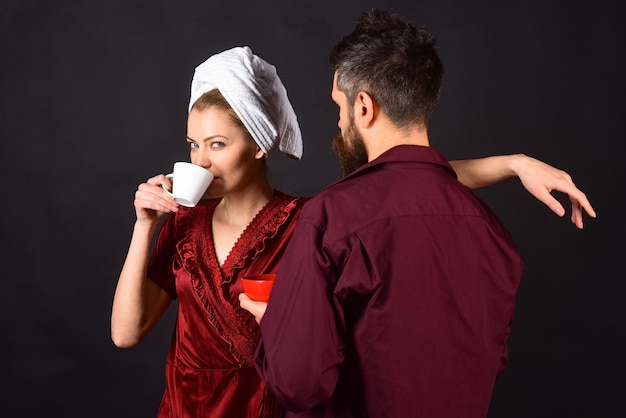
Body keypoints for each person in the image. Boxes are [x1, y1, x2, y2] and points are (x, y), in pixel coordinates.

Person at [112, 46, 594, 417]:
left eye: (217, 144)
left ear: (259, 144)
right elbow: (126, 333)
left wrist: (511, 165)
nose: (200, 161)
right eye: (194, 144)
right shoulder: (182, 223)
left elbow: (407, 183)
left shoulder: (310, 220)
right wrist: (144, 225)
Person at [239, 9, 595, 418]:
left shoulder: (329, 218)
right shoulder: (494, 236)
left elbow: (299, 385)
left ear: (364, 106)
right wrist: (513, 163)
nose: (338, 122)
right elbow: (487, 364)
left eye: (339, 106)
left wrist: (281, 324)